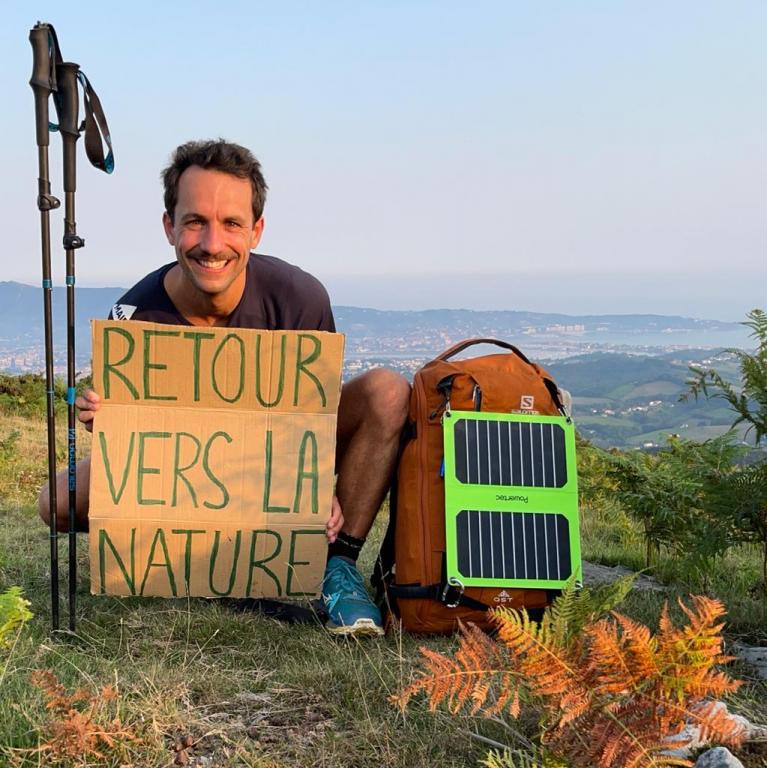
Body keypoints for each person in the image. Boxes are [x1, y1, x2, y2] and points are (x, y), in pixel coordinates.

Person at [39, 139, 410, 637]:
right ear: (169, 225)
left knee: (388, 391)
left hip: (273, 460)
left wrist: (316, 483)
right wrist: (105, 419)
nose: (212, 243)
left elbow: (312, 415)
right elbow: (146, 446)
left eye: (231, 223)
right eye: (195, 221)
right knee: (55, 501)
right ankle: (173, 552)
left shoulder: (301, 299)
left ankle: (336, 568)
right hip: (200, 473)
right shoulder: (133, 318)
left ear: (256, 230)